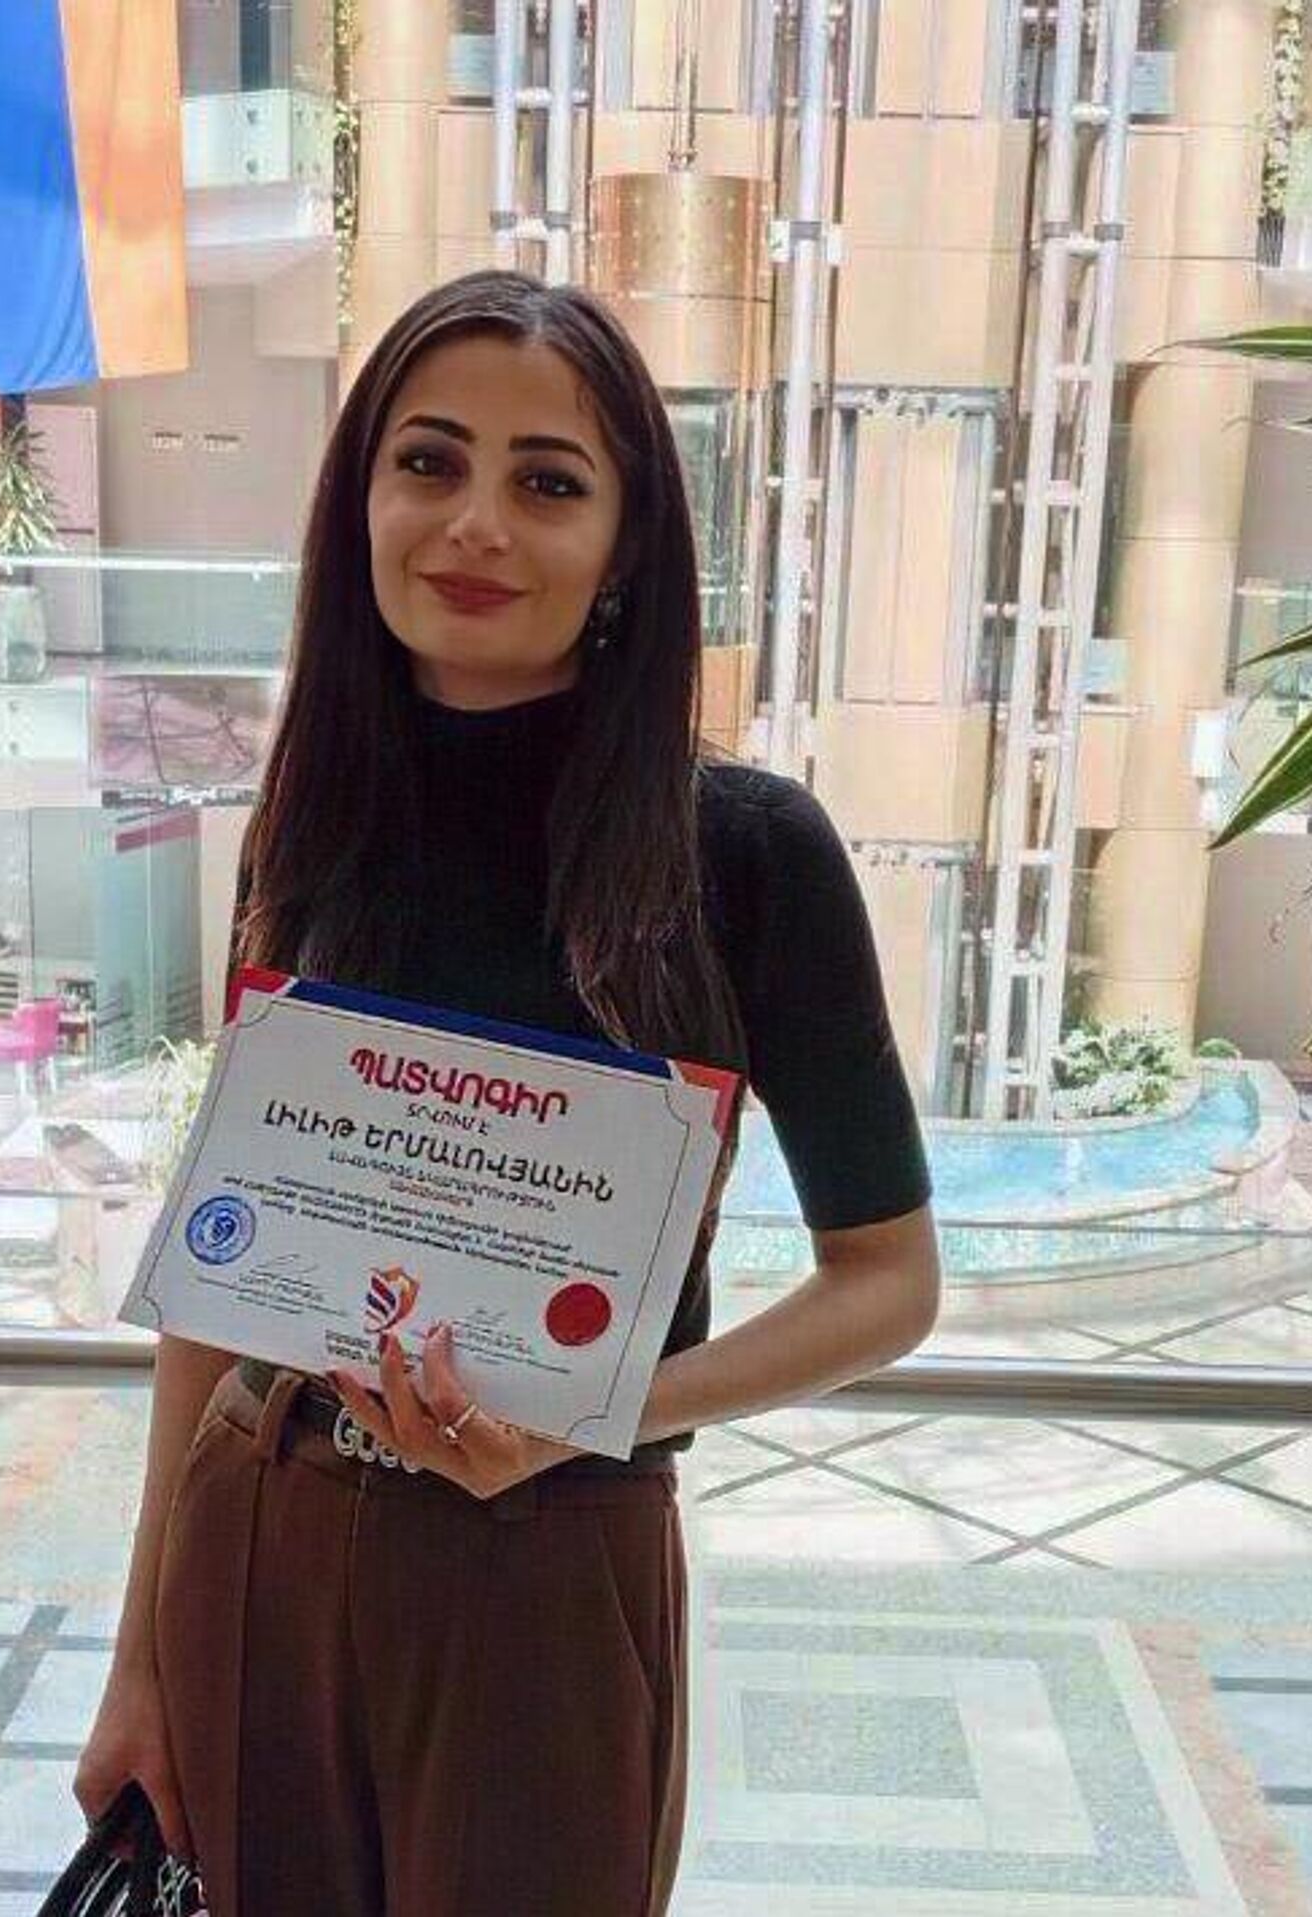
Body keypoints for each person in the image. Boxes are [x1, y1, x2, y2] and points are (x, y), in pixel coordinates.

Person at [75, 271, 942, 1915]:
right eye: (429, 461)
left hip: (549, 1558)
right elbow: (219, 1268)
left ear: (626, 547)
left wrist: (604, 1409)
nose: (475, 522)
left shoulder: (749, 854)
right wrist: (138, 1663)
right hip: (259, 1527)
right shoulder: (307, 822)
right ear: (362, 500)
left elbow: (888, 1282)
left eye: (548, 481)